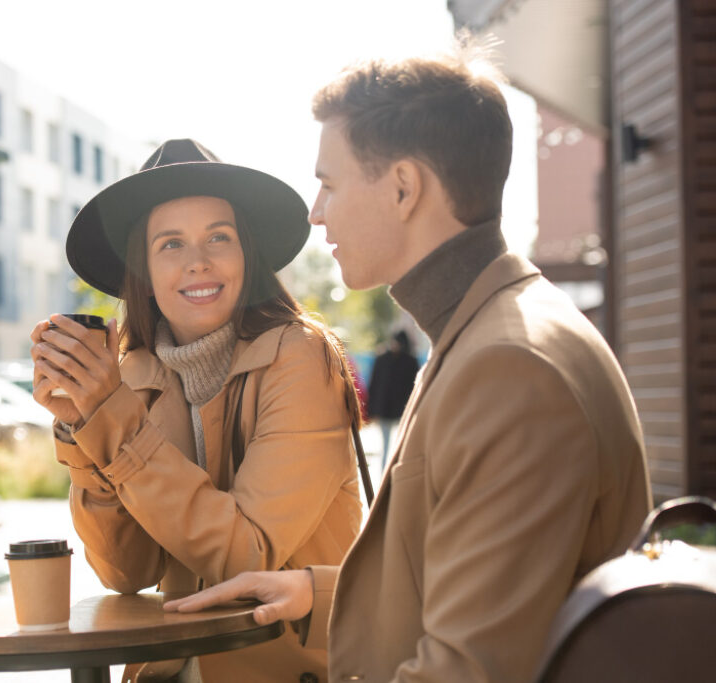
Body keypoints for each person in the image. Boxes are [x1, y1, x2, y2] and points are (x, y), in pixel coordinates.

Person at [165, 42, 653, 683]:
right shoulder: (485, 330)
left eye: (329, 184)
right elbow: (490, 587)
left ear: (402, 187)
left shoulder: (509, 366)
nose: (316, 213)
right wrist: (320, 591)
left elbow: (473, 669)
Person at [30, 139, 364, 682]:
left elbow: (248, 558)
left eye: (218, 237)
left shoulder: (300, 356)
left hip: (286, 668)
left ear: (245, 254)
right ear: (143, 269)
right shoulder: (132, 375)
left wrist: (111, 418)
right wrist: (80, 424)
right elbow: (125, 572)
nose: (198, 262)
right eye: (171, 244)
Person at [366, 329, 419, 469]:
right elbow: (374, 384)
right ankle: (385, 472)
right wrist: (371, 409)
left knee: (401, 445)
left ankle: (396, 471)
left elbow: (415, 387)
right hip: (384, 409)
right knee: (385, 445)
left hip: (403, 411)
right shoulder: (382, 359)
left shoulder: (410, 361)